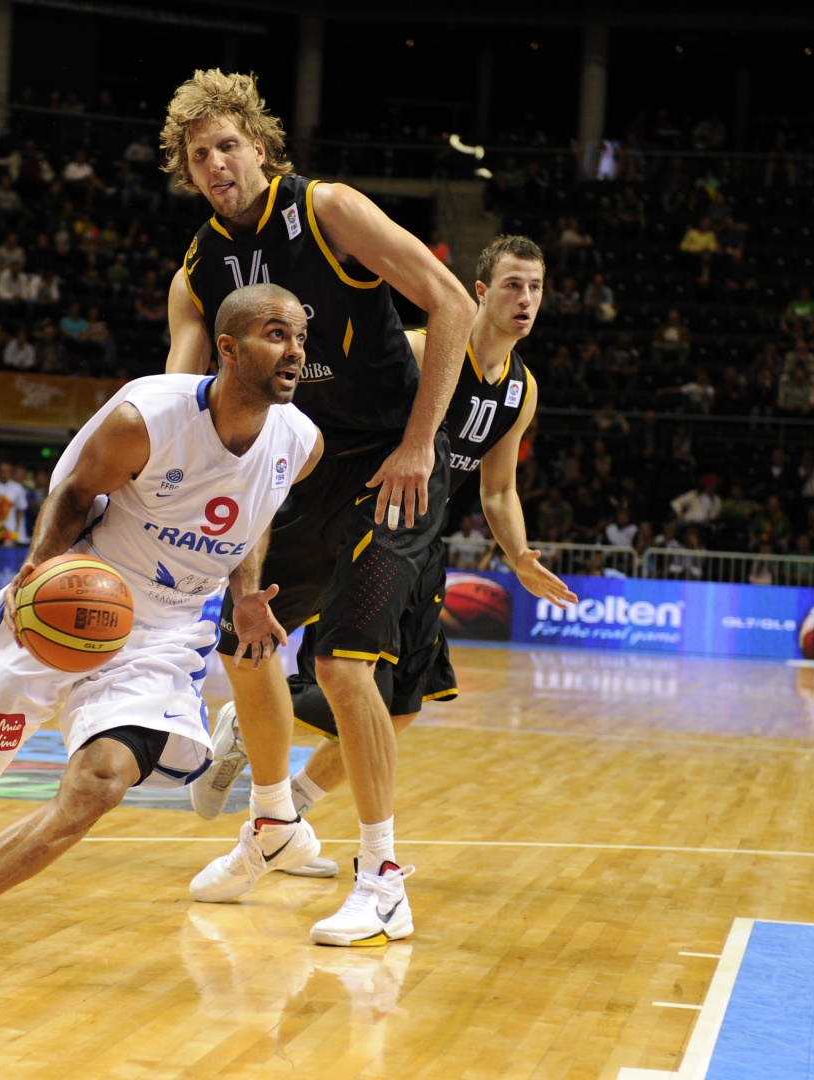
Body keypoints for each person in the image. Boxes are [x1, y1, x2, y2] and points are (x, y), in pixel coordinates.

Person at [0, 282, 322, 994]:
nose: (295, 351)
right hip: (76, 596)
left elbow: (252, 521)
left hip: (165, 633)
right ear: (227, 347)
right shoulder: (149, 416)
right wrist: (39, 570)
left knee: (101, 782)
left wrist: (246, 594)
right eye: (276, 335)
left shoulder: (301, 443)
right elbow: (74, 493)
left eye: (299, 337)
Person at [161, 70, 474, 945]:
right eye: (199, 155)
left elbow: (452, 302)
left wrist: (420, 443)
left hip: (391, 464)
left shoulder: (327, 208)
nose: (216, 162)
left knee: (343, 668)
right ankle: (273, 822)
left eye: (228, 145)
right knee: (245, 636)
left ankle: (382, 879)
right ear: (189, 174)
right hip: (295, 469)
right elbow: (182, 396)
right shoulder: (200, 268)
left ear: (261, 148)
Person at [195, 236, 578, 848]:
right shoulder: (422, 348)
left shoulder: (520, 390)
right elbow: (333, 413)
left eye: (535, 288)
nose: (525, 299)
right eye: (512, 284)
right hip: (353, 518)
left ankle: (280, 813)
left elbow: (499, 490)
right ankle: (263, 748)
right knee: (311, 659)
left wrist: (521, 556)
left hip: (417, 539)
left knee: (398, 709)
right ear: (478, 292)